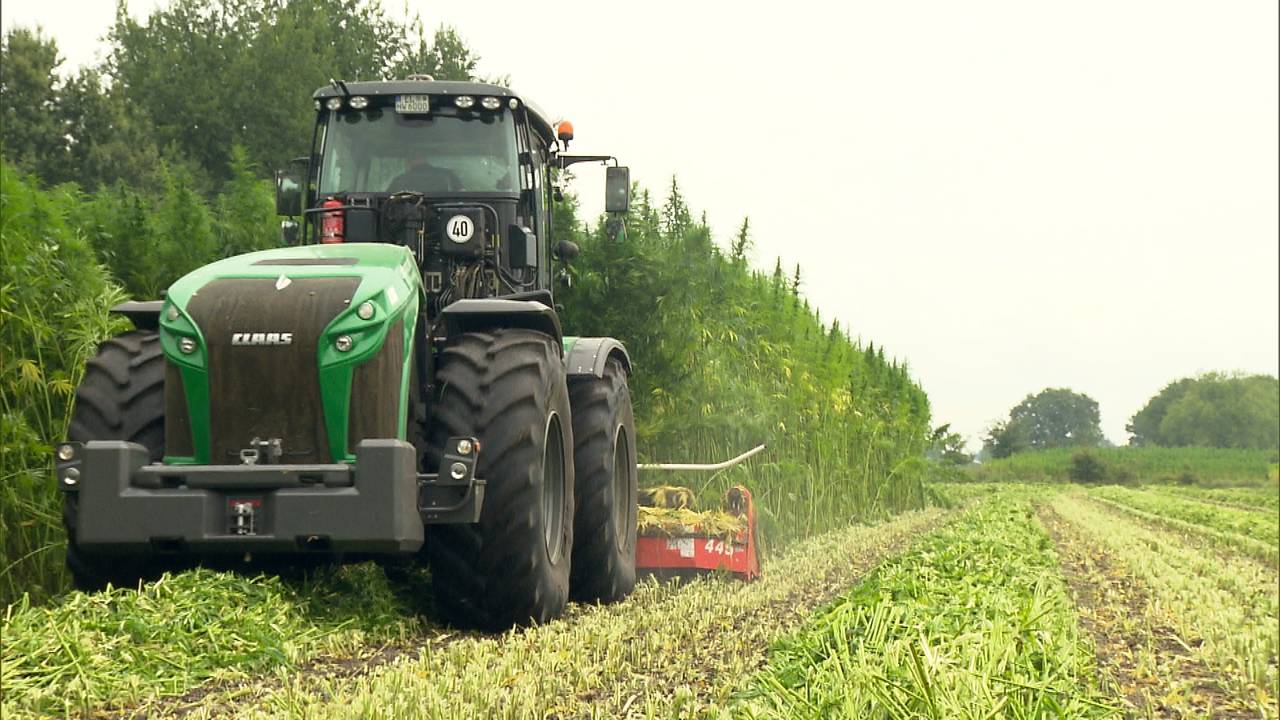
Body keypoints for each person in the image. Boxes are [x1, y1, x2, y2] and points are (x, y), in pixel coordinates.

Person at [385, 148, 462, 192]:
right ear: (425, 159)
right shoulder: (447, 175)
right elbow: (463, 200)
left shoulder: (399, 181)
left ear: (408, 162)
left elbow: (386, 204)